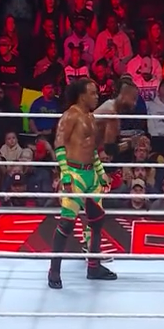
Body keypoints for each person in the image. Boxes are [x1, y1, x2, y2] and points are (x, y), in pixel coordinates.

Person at [48, 78, 119, 289]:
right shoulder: (70, 115)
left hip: (91, 175)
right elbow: (59, 144)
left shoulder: (90, 117)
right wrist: (65, 174)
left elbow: (92, 149)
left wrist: (101, 171)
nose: (97, 96)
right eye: (93, 93)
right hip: (74, 173)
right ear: (82, 96)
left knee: (96, 222)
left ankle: (93, 267)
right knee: (67, 222)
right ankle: (54, 271)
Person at [75, 76, 140, 260]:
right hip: (82, 155)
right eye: (133, 98)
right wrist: (131, 143)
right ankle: (91, 249)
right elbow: (110, 150)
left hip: (85, 153)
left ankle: (90, 247)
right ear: (124, 95)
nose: (135, 103)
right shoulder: (111, 112)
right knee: (92, 204)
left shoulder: (111, 109)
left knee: (91, 203)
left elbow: (106, 143)